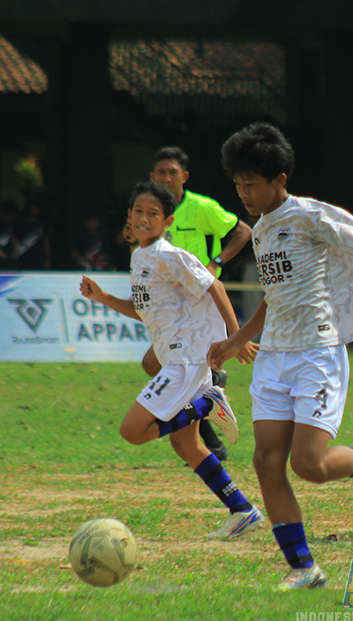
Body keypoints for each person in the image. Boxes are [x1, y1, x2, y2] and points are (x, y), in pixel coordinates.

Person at [208, 122, 353, 591]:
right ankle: (303, 568)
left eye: (251, 184)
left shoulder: (311, 216)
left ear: (279, 179)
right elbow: (274, 298)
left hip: (317, 353)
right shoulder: (260, 232)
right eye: (237, 184)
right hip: (274, 357)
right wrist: (236, 339)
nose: (243, 193)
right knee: (265, 461)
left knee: (311, 466)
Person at [79, 181, 264, 540]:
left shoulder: (169, 254)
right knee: (186, 445)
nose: (144, 219)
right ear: (129, 218)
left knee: (132, 432)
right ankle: (242, 510)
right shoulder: (141, 257)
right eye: (138, 212)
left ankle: (206, 404)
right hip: (177, 360)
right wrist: (102, 298)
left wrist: (235, 337)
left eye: (153, 213)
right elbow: (144, 310)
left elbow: (216, 286)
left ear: (168, 221)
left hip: (188, 361)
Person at [144, 146, 254, 461]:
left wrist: (217, 260)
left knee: (159, 365)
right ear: (152, 177)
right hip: (168, 304)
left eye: (172, 172)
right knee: (162, 366)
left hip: (197, 300)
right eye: (161, 172)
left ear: (184, 177)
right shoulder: (149, 212)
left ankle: (209, 406)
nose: (166, 177)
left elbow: (242, 231)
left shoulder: (201, 207)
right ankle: (210, 420)